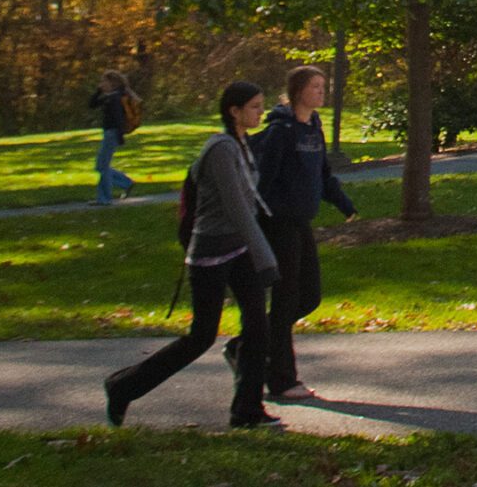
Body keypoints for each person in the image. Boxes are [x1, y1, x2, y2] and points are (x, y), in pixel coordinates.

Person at [104, 80, 279, 428]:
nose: (262, 111)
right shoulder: (221, 150)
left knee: (259, 327)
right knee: (201, 337)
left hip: (240, 249)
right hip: (211, 253)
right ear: (235, 111)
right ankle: (123, 386)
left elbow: (251, 200)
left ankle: (247, 410)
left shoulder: (243, 145)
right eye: (256, 106)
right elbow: (235, 208)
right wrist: (266, 258)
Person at [230, 65, 358, 403]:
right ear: (298, 91)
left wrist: (344, 204)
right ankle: (282, 381)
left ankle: (244, 346)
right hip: (277, 223)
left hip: (301, 222)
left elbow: (323, 175)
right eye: (315, 87)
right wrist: (255, 223)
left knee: (309, 297)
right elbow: (262, 182)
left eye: (323, 86)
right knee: (286, 300)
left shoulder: (313, 128)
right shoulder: (280, 132)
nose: (321, 91)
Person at [88, 70, 141, 205]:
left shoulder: (115, 98)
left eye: (103, 81)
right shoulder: (110, 96)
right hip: (109, 133)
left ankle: (104, 199)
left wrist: (119, 135)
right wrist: (98, 91)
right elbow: (92, 105)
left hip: (112, 133)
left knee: (102, 167)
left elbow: (118, 119)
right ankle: (126, 183)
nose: (101, 84)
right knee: (101, 166)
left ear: (112, 83)